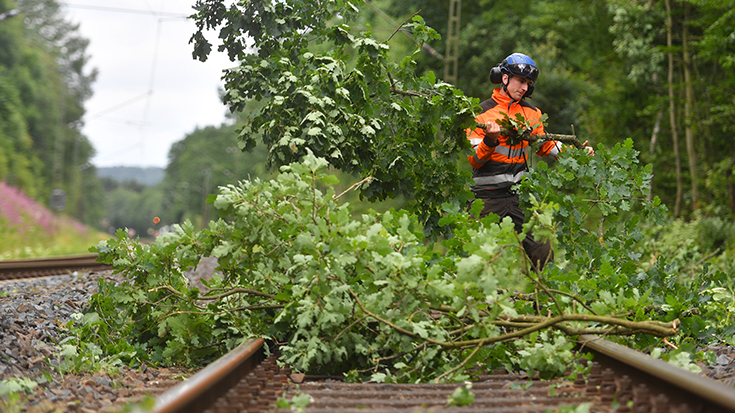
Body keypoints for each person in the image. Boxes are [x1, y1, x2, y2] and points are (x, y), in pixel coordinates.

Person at [466, 52, 594, 272]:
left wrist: (577, 155)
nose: (524, 88)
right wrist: (490, 139)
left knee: (543, 254)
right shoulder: (480, 114)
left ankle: (544, 303)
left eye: (528, 83)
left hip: (519, 198)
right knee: (481, 261)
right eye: (520, 81)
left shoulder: (532, 114)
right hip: (486, 199)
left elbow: (546, 146)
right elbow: (476, 161)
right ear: (504, 79)